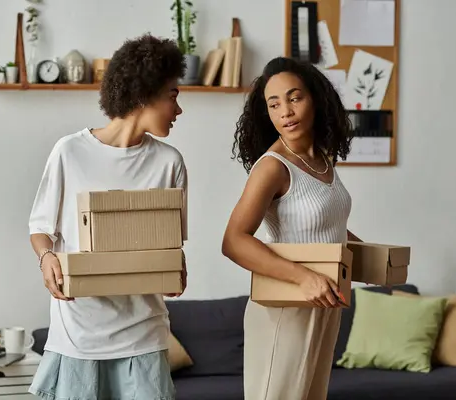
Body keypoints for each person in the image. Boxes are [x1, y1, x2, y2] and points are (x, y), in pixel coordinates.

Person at [27, 33, 188, 400]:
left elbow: (171, 248)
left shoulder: (170, 163)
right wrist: (46, 258)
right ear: (144, 93)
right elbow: (40, 229)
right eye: (173, 96)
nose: (178, 110)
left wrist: (176, 269)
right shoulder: (69, 152)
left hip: (143, 336)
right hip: (79, 335)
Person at [221, 57, 362, 400]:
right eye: (274, 104)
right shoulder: (272, 167)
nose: (285, 111)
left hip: (326, 302)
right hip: (285, 307)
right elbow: (233, 241)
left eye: (294, 98)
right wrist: (303, 277)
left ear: (315, 98)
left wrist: (372, 256)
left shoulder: (323, 159)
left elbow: (330, 228)